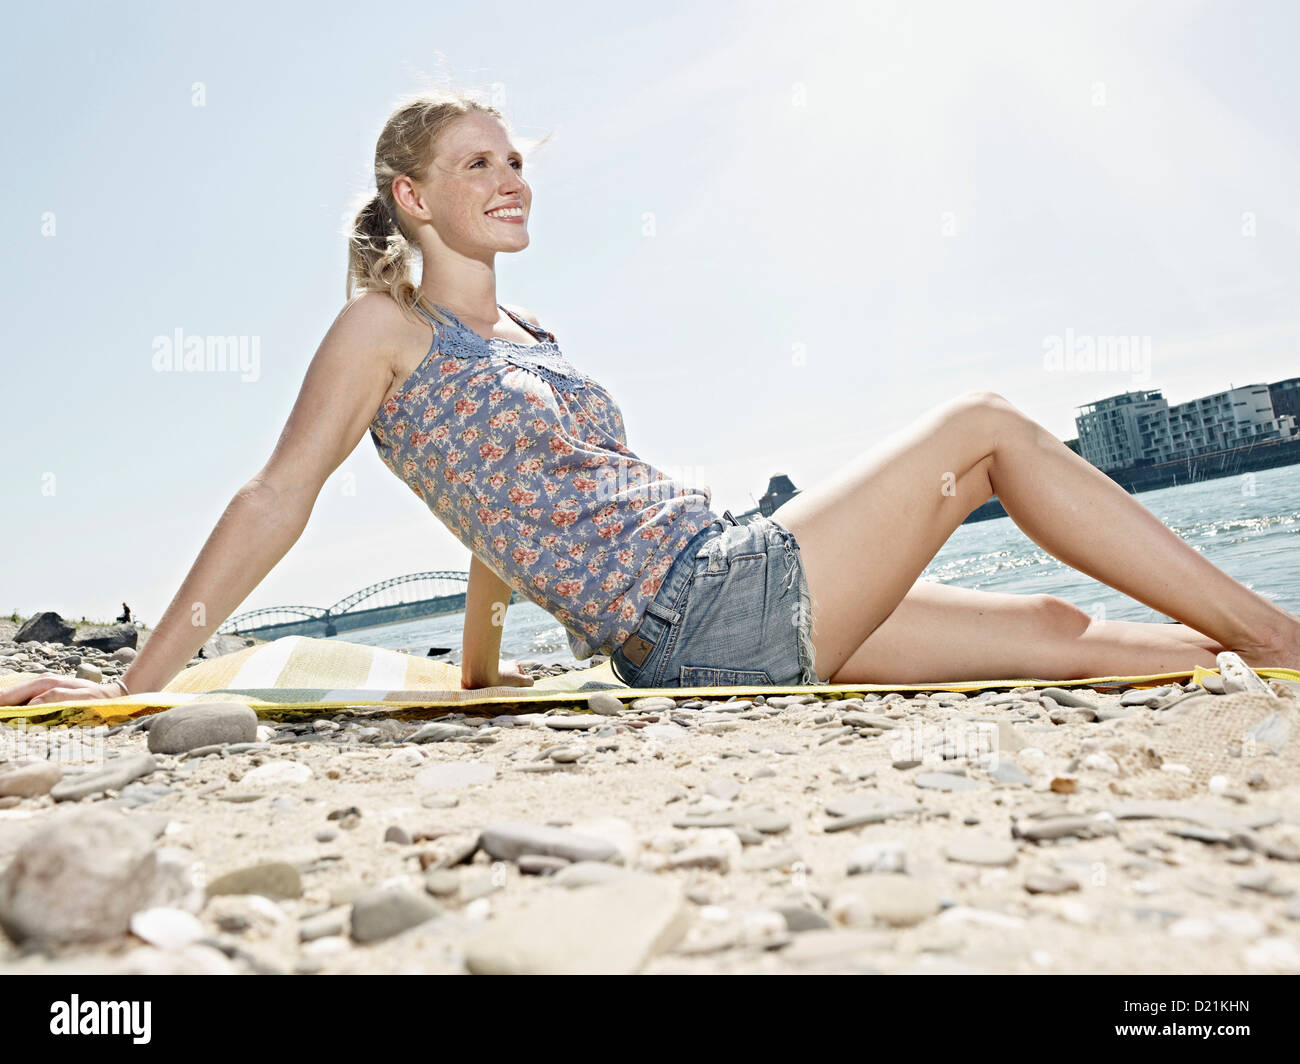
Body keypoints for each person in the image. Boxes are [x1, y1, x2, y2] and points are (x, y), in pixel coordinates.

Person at [7, 92, 1298, 708]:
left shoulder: (533, 335)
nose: (512, 178)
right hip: (703, 602)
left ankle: (1246, 663)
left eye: (518, 160)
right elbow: (274, 496)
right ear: (412, 195)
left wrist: (479, 673)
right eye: (478, 164)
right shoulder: (378, 331)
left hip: (716, 588)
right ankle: (1284, 635)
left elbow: (498, 515)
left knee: (1061, 624)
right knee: (988, 427)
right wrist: (135, 684)